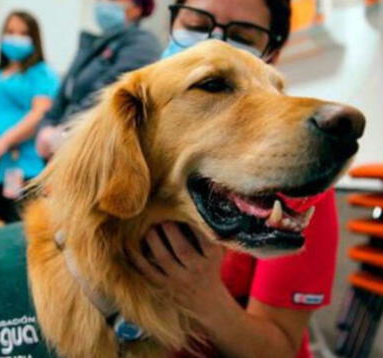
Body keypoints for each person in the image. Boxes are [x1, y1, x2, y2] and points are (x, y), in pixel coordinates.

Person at [128, 1, 340, 358]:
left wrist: (205, 295)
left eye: (243, 36)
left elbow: (280, 350)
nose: (214, 43)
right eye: (195, 24)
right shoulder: (132, 132)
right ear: (172, 22)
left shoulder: (302, 179)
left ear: (271, 52)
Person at [35, 0, 160, 159]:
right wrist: (45, 129)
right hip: (63, 150)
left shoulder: (142, 44)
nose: (104, 3)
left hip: (95, 151)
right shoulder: (94, 46)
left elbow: (109, 93)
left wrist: (65, 132)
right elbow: (63, 95)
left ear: (136, 9)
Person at [0, 11, 59, 223]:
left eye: (22, 33)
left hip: (22, 167)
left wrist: (2, 143)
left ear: (34, 38)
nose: (15, 38)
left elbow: (39, 113)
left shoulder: (42, 74)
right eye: (9, 32)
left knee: (16, 233)